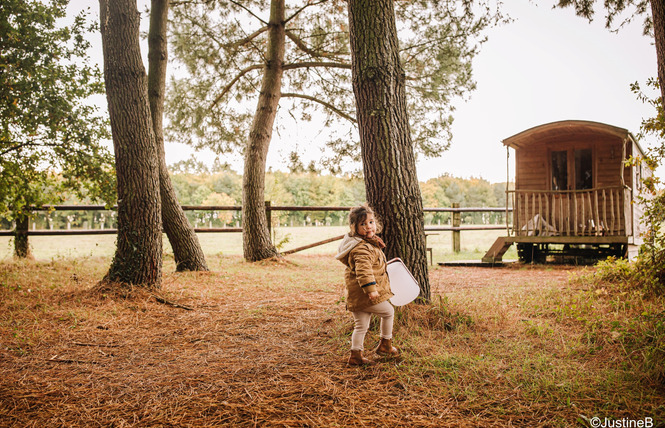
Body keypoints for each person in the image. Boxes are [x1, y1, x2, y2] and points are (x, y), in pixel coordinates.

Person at [335, 204, 399, 365]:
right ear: (354, 227)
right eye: (363, 224)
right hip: (366, 294)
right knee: (389, 312)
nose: (368, 227)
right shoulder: (362, 248)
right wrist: (371, 290)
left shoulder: (365, 243)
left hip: (356, 296)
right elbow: (364, 271)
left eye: (371, 222)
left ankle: (356, 355)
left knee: (361, 326)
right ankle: (386, 344)